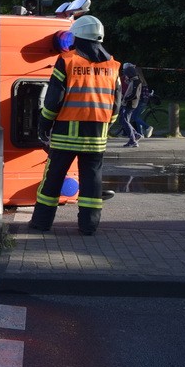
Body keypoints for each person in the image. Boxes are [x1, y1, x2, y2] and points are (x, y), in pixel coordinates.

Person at [30, 15, 122, 236]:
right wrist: (107, 125)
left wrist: (44, 123)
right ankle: (89, 226)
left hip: (65, 135)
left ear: (78, 36)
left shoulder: (68, 60)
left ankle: (42, 223)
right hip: (97, 136)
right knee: (92, 182)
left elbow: (54, 98)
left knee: (53, 178)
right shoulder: (113, 65)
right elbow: (117, 103)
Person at [119, 63, 144, 147]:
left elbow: (134, 95)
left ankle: (132, 140)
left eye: (126, 73)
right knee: (124, 120)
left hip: (130, 104)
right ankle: (135, 134)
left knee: (125, 121)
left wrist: (125, 99)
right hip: (129, 103)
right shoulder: (133, 80)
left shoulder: (136, 82)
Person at [130, 66, 155, 138]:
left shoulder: (138, 81)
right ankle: (140, 133)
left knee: (134, 117)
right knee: (137, 117)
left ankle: (147, 127)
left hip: (140, 101)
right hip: (144, 101)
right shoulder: (143, 81)